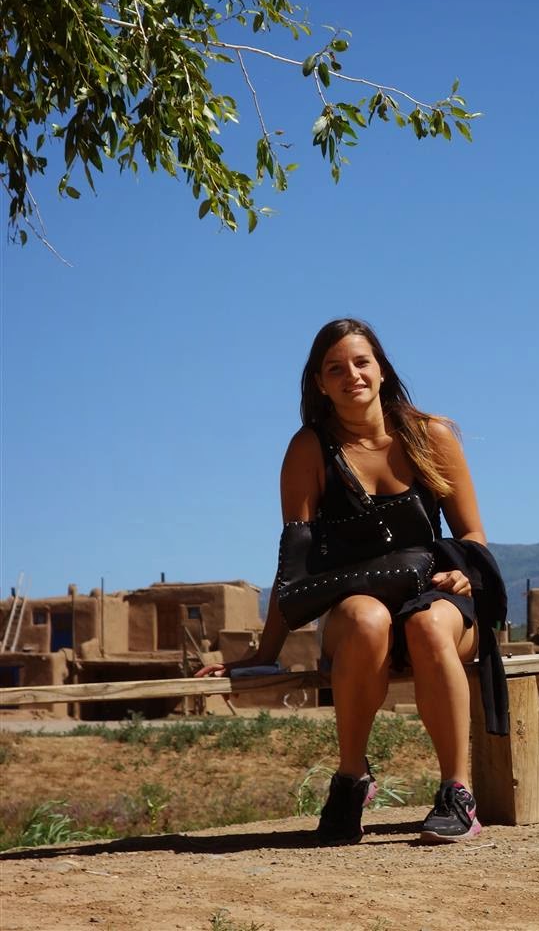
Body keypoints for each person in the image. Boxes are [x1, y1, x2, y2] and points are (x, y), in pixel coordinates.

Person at [199, 318, 494, 845]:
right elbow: (295, 561)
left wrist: (463, 573)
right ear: (319, 383)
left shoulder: (429, 435)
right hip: (359, 611)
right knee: (364, 616)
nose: (351, 375)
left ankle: (457, 792)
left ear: (382, 370)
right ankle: (351, 779)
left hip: (438, 597)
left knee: (427, 625)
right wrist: (264, 652)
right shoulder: (309, 450)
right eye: (335, 368)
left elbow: (472, 533)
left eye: (361, 363)